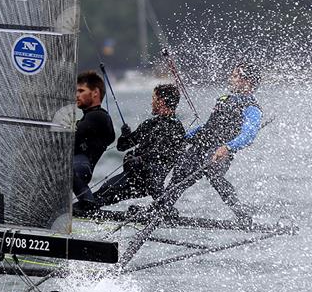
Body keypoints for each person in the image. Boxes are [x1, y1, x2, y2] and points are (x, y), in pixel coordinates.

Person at [155, 63, 262, 222]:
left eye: (234, 76)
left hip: (219, 152)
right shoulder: (225, 99)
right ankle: (162, 208)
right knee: (180, 172)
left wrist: (227, 147)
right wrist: (183, 138)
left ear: (247, 81)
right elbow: (207, 127)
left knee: (213, 172)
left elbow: (249, 135)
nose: (230, 79)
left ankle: (241, 212)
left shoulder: (252, 108)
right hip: (199, 147)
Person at [93, 84, 185, 209]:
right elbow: (122, 146)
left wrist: (139, 159)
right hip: (132, 177)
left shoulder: (176, 128)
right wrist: (125, 135)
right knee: (101, 194)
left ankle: (164, 209)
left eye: (154, 99)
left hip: (150, 182)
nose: (151, 103)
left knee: (104, 193)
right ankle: (83, 213)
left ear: (162, 101)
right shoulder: (150, 124)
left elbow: (162, 153)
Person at [73, 70, 115, 212]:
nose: (77, 95)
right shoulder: (89, 117)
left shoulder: (98, 116)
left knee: (64, 168)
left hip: (80, 168)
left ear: (95, 93)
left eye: (81, 91)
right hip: (77, 167)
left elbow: (72, 137)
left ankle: (88, 204)